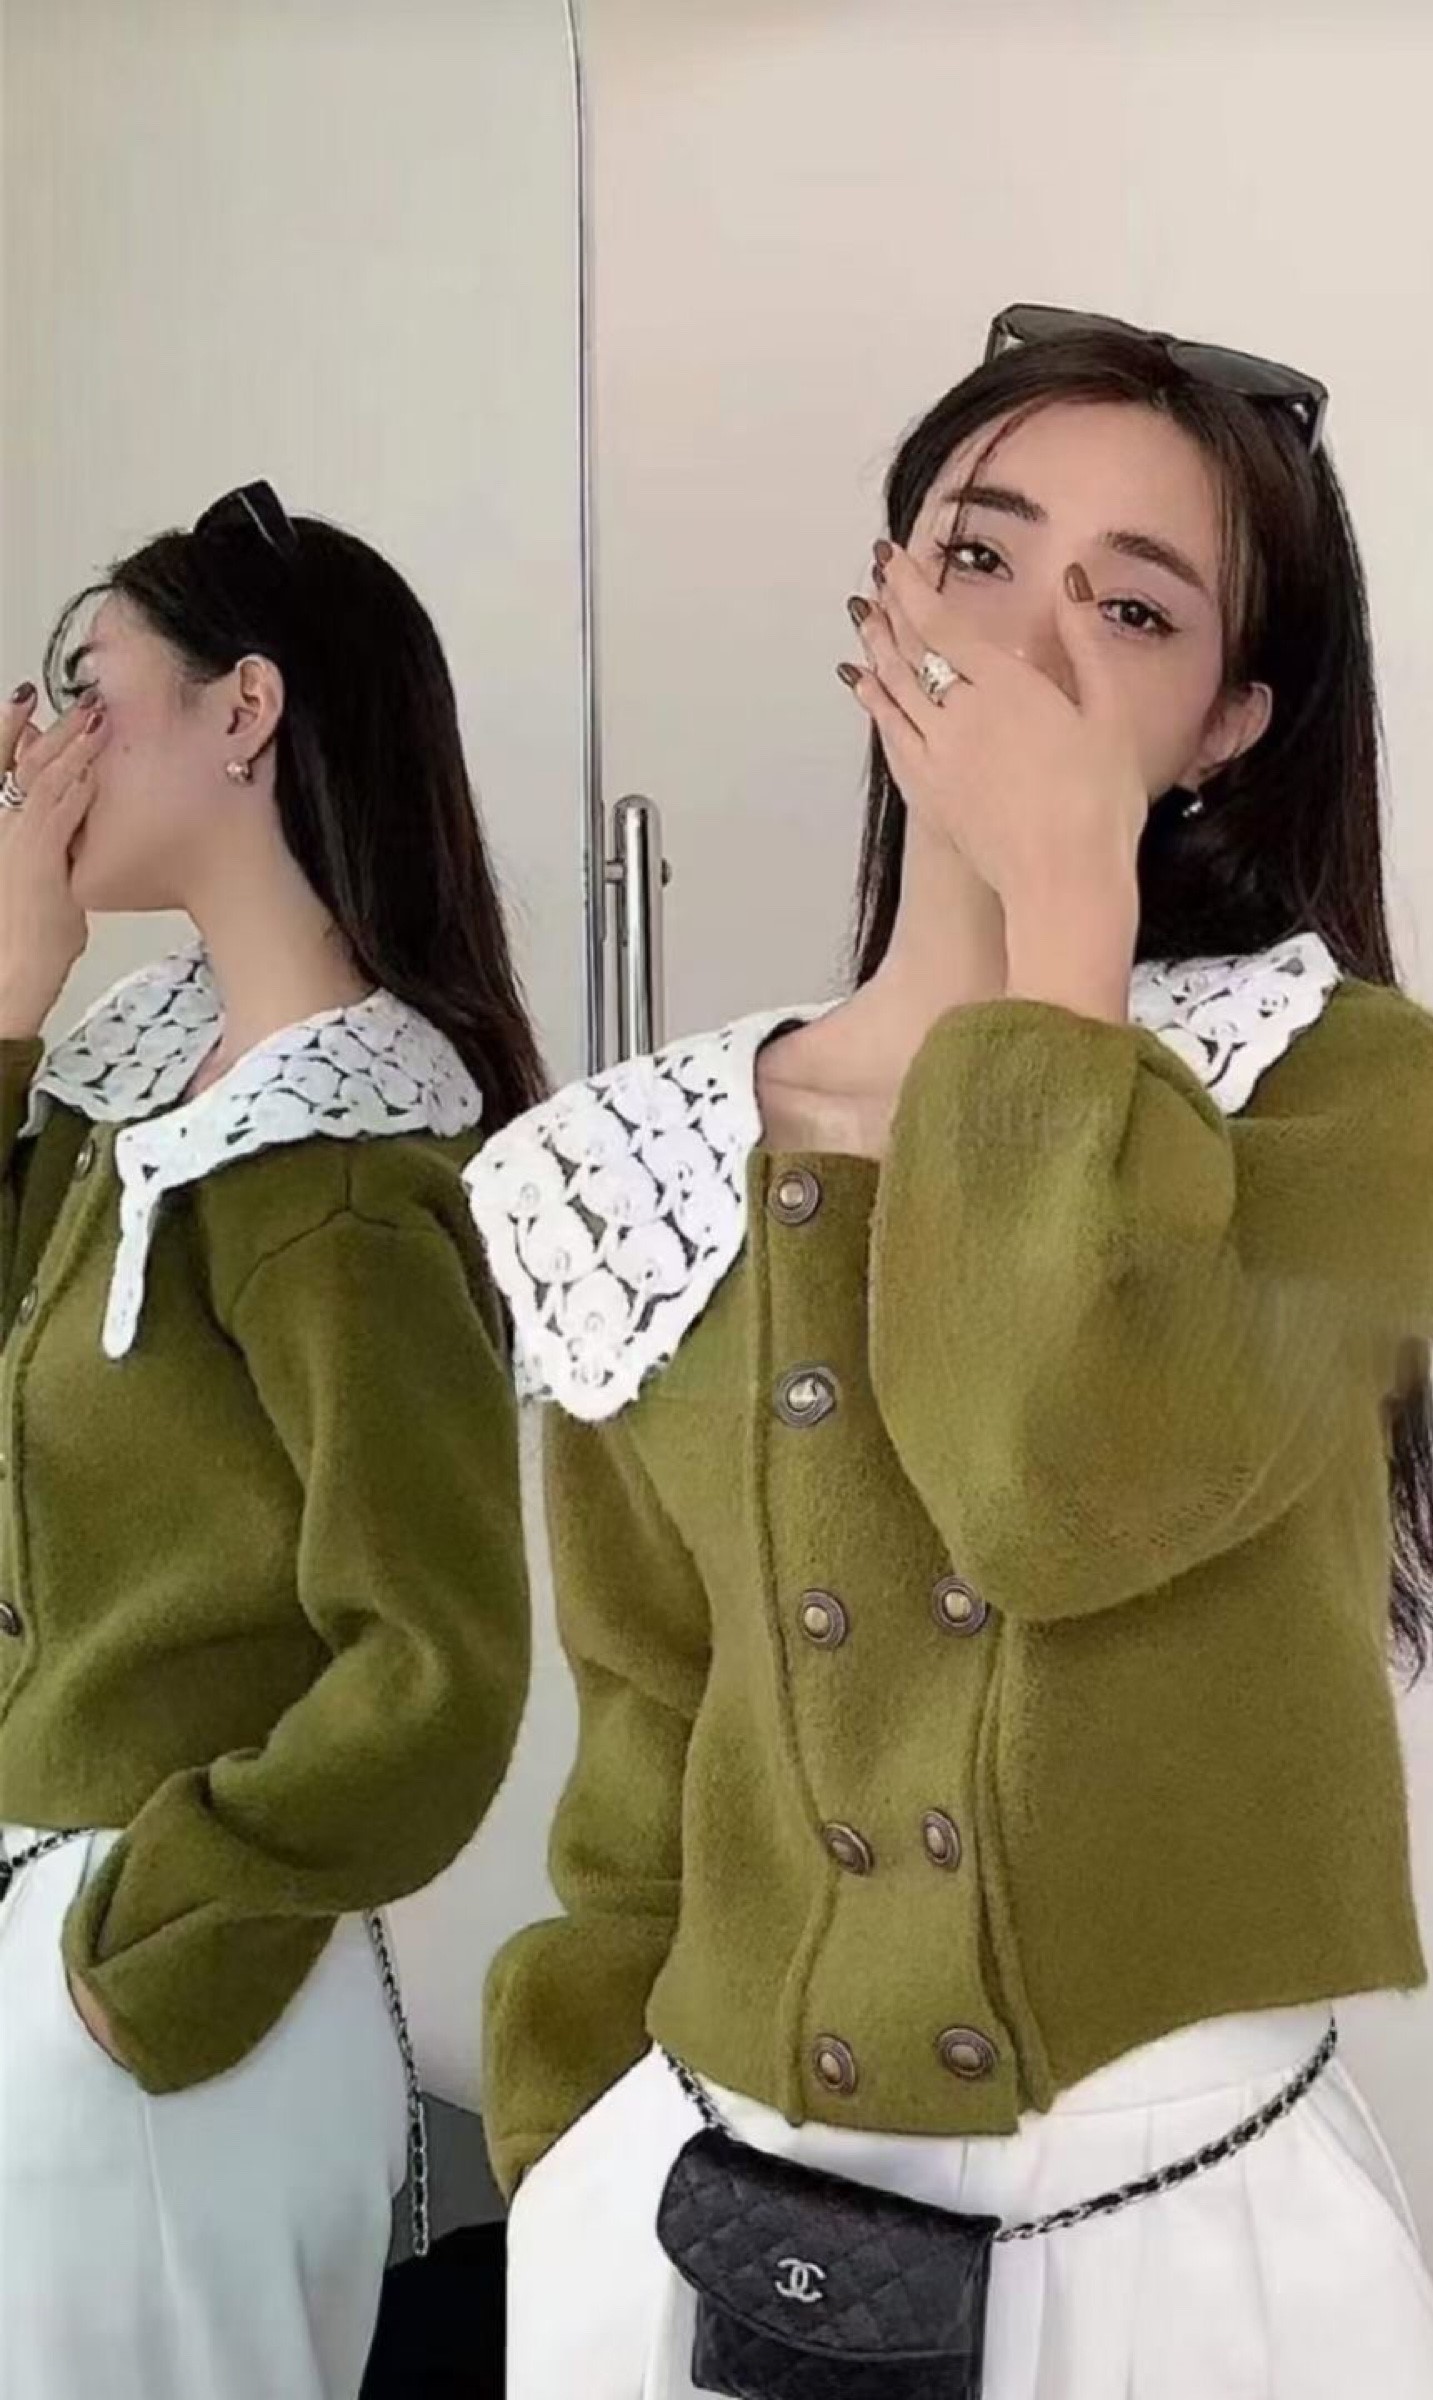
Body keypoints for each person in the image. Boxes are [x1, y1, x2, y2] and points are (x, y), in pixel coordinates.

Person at [466, 314, 1433, 2398]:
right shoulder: (626, 1169)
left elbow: (1054, 1490)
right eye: (978, 556)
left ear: (1228, 722)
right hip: (693, 2231)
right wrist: (566, 2154)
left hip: (1177, 2247)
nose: (1028, 650)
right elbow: (643, 1739)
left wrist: (1065, 915)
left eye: (1130, 610)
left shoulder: (1338, 1097)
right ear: (879, 606)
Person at [0, 482, 538, 2400]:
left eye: (87, 685)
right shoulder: (141, 1083)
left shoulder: (340, 1172)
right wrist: (11, 997)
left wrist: (146, 1946)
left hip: (171, 2017)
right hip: (84, 1975)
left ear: (245, 710)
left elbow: (438, 1669)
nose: (41, 742)